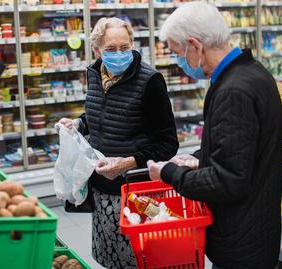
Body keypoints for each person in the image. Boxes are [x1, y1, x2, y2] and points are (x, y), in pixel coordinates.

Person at [147, 2, 282, 268]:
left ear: (195, 46)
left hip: (240, 244)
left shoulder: (233, 91)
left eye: (178, 53)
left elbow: (228, 181)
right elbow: (243, 152)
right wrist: (201, 158)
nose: (180, 62)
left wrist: (168, 173)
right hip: (256, 229)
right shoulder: (253, 72)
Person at [57, 17, 178, 268]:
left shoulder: (150, 81)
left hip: (136, 193)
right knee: (109, 258)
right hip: (102, 188)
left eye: (125, 47)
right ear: (97, 50)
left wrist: (127, 163)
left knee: (138, 259)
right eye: (111, 49)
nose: (119, 54)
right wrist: (79, 124)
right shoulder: (94, 74)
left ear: (133, 44)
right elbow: (101, 115)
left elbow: (168, 143)